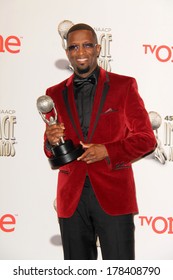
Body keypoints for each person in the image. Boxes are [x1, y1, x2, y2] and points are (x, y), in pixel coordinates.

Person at [43, 23, 156, 260]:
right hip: (71, 199)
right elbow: (50, 149)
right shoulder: (53, 94)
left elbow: (146, 139)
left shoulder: (124, 86)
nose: (80, 52)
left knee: (120, 270)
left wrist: (107, 150)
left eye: (86, 45)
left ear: (97, 48)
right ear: (67, 52)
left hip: (114, 194)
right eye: (73, 47)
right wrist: (52, 141)